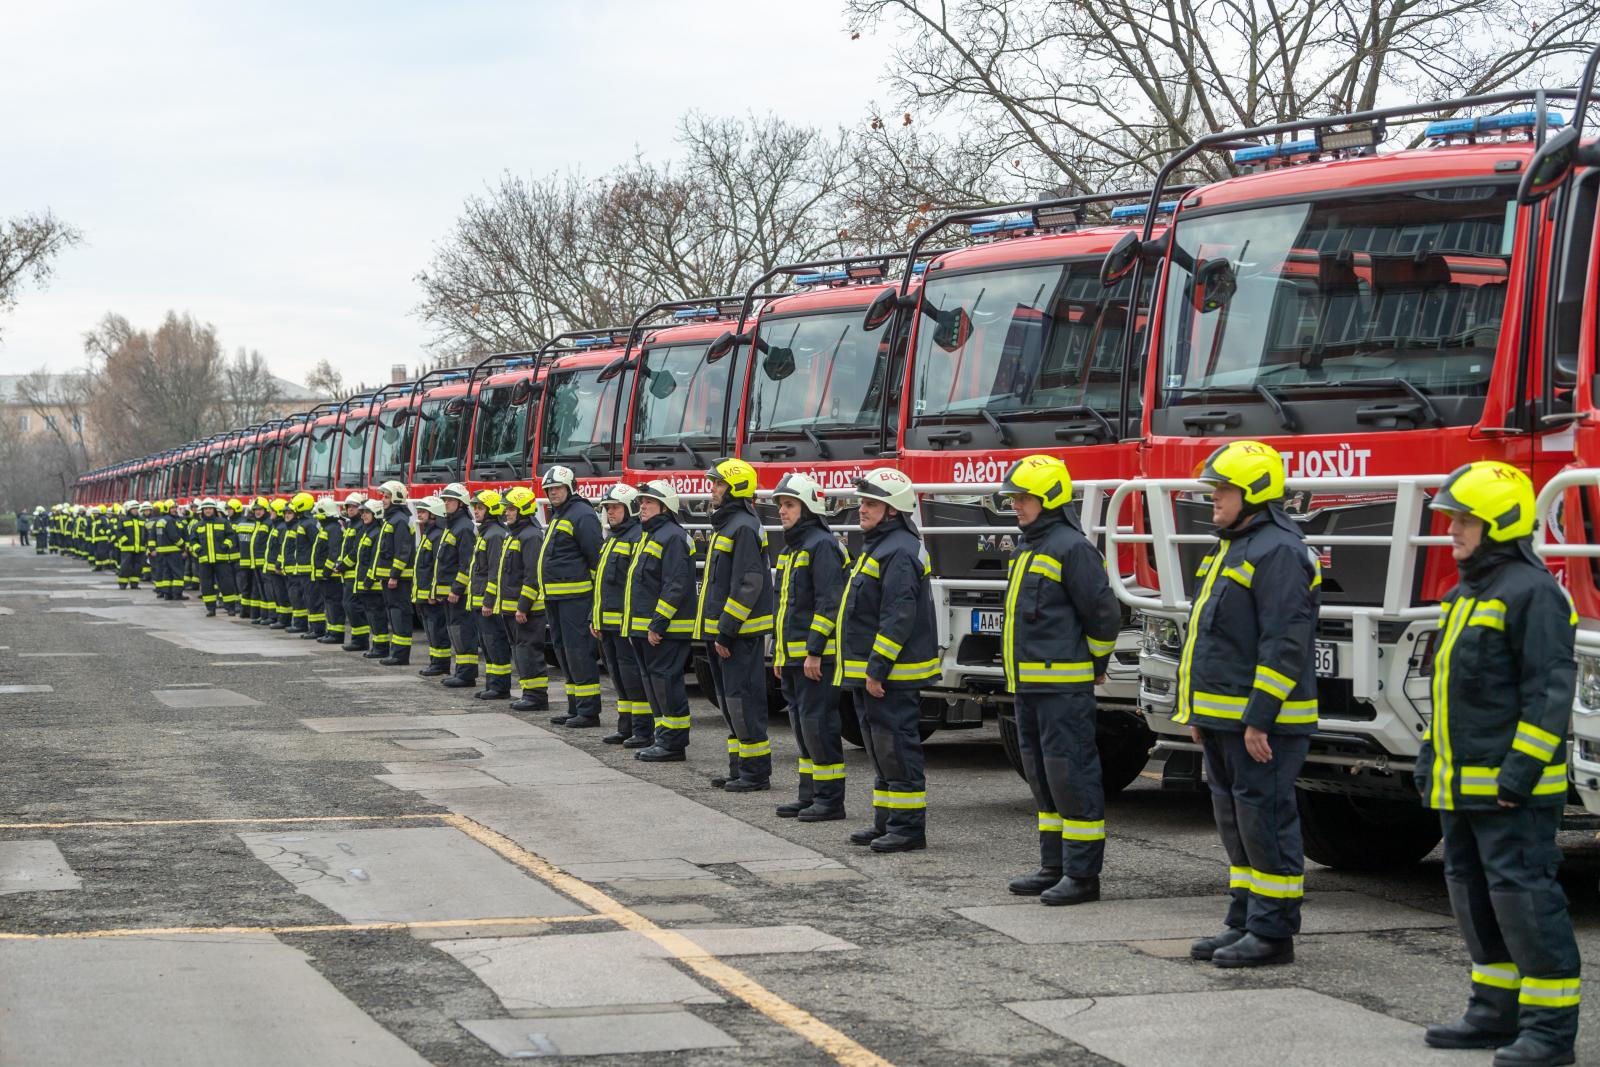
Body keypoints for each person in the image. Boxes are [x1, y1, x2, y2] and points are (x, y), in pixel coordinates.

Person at [1418, 461, 1581, 1066]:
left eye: (1464, 521)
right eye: (1453, 519)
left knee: (1526, 904)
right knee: (1473, 897)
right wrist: (1430, 761)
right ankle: (1493, 1013)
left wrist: (1520, 774)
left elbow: (1548, 693)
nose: (1453, 531)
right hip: (1460, 789)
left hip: (1513, 793)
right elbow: (1450, 693)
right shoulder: (1465, 594)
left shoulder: (1533, 593)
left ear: (1499, 524)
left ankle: (1549, 1032)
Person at [1176, 441, 1319, 969]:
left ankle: (1274, 932)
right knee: (1237, 823)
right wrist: (1196, 712)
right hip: (1222, 719)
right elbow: (1209, 636)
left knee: (1265, 823)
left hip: (1263, 724)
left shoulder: (1278, 550)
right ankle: (1244, 919)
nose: (1213, 497)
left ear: (1254, 493)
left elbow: (1285, 642)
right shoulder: (1235, 544)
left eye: (1223, 489)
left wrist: (1260, 716)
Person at [995, 456, 1121, 905]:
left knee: (1072, 776)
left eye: (1023, 498)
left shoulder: (1072, 547)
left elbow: (1104, 613)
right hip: (1028, 688)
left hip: (1063, 690)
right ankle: (1055, 865)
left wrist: (1095, 662)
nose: (1016, 505)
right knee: (1043, 778)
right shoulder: (1027, 546)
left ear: (1048, 498)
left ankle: (1083, 875)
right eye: (1014, 497)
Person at [835, 468, 939, 853]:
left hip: (891, 674)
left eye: (871, 503)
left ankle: (909, 828)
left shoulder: (898, 550)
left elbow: (897, 615)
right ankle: (887, 821)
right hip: (872, 673)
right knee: (880, 748)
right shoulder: (880, 545)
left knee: (897, 748)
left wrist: (877, 669)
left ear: (893, 510)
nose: (862, 509)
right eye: (863, 502)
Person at [770, 472, 848, 821]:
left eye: (789, 505)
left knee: (819, 726)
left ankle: (830, 800)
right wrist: (778, 652)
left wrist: (815, 649)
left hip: (816, 657)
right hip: (792, 656)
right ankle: (810, 794)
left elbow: (828, 602)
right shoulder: (792, 548)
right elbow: (784, 604)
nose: (782, 512)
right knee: (803, 727)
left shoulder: (822, 545)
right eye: (781, 506)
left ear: (809, 507)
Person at [698, 458, 777, 792]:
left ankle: (755, 773)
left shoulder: (742, 526)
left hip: (738, 635)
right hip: (723, 633)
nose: (713, 490)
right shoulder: (728, 524)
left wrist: (727, 629)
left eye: (718, 484)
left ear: (736, 488)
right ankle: (738, 768)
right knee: (729, 701)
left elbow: (748, 583)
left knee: (744, 702)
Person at [627, 480, 698, 762]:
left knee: (667, 685)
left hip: (665, 630)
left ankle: (673, 743)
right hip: (648, 629)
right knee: (655, 685)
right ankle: (663, 738)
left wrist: (658, 622)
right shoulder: (652, 535)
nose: (642, 507)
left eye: (649, 503)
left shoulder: (672, 537)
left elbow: (676, 585)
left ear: (665, 507)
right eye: (642, 502)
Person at [538, 466, 604, 728]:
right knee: (564, 652)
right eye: (549, 489)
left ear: (570, 488)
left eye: (557, 488)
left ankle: (588, 712)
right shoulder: (560, 514)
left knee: (579, 652)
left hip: (576, 599)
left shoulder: (582, 515)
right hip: (556, 598)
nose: (553, 493)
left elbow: (596, 558)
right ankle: (575, 706)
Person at [592, 484, 651, 747]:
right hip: (607, 623)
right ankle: (625, 727)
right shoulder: (612, 538)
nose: (610, 513)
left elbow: (636, 586)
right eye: (606, 509)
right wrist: (594, 618)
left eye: (615, 508)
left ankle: (642, 731)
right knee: (618, 678)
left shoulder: (636, 538)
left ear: (629, 509)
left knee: (633, 678)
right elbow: (603, 584)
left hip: (625, 625)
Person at [502, 486, 550, 711]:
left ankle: (536, 697)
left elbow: (532, 575)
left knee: (529, 651)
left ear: (523, 509)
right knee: (521, 651)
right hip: (513, 608)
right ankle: (528, 693)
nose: (507, 513)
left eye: (511, 509)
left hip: (528, 610)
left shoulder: (530, 536)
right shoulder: (515, 534)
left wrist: (523, 606)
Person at [468, 490, 511, 699]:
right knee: (486, 644)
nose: (476, 511)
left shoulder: (494, 534)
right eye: (475, 507)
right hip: (479, 599)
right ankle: (491, 685)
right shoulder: (485, 532)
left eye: (480, 507)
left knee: (495, 643)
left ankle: (500, 687)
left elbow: (495, 571)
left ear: (492, 510)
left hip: (488, 601)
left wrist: (489, 601)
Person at [439, 483, 480, 689]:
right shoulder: (453, 525)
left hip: (459, 593)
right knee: (455, 631)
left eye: (450, 501)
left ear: (461, 504)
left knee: (463, 632)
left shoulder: (463, 527)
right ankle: (461, 672)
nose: (446, 503)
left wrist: (457, 588)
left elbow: (467, 562)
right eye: (445, 500)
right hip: (449, 592)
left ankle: (466, 675)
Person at [373, 481, 416, 666]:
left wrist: (394, 575)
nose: (383, 500)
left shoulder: (399, 520)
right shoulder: (392, 518)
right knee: (394, 615)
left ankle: (400, 655)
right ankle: (396, 652)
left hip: (398, 579)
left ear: (396, 498)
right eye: (383, 496)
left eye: (387, 496)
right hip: (390, 578)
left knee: (400, 615)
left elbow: (403, 550)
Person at [412, 496, 454, 675]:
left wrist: (433, 592)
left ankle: (441, 665)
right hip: (423, 593)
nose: (419, 514)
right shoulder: (429, 533)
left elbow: (438, 567)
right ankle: (434, 662)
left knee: (437, 630)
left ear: (434, 514)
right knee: (430, 630)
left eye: (423, 511)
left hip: (432, 595)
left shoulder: (436, 535)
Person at [355, 499, 390, 656]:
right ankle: (376, 646)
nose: (363, 516)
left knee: (377, 617)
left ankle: (381, 648)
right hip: (366, 584)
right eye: (362, 513)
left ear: (376, 513)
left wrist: (369, 579)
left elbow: (375, 559)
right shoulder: (368, 532)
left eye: (367, 512)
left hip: (373, 585)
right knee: (372, 616)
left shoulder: (376, 533)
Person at [308, 497, 346, 642]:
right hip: (325, 576)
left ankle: (336, 634)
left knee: (334, 603)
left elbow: (334, 552)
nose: (317, 516)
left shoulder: (333, 529)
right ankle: (331, 631)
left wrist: (327, 570)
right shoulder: (327, 528)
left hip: (330, 576)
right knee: (329, 604)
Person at [338, 494, 372, 650]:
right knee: (349, 606)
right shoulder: (351, 525)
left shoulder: (359, 526)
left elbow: (355, 552)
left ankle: (361, 641)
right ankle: (357, 639)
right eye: (348, 507)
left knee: (353, 606)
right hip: (348, 574)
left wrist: (342, 565)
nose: (350, 509)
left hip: (354, 574)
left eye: (354, 506)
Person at [153, 500, 186, 601]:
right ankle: (177, 594)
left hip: (163, 552)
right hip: (173, 551)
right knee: (177, 573)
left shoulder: (160, 521)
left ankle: (167, 593)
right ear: (167, 509)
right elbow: (174, 536)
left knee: (167, 573)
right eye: (172, 508)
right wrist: (183, 546)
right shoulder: (170, 520)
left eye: (175, 508)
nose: (174, 510)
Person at [115, 499, 146, 591]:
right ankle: (122, 584)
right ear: (128, 510)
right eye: (133, 509)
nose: (136, 510)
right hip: (127, 548)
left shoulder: (142, 520)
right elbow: (119, 532)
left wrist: (145, 542)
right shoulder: (123, 520)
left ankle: (134, 584)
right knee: (125, 566)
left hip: (140, 548)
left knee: (137, 567)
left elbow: (146, 532)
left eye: (136, 509)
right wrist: (125, 541)